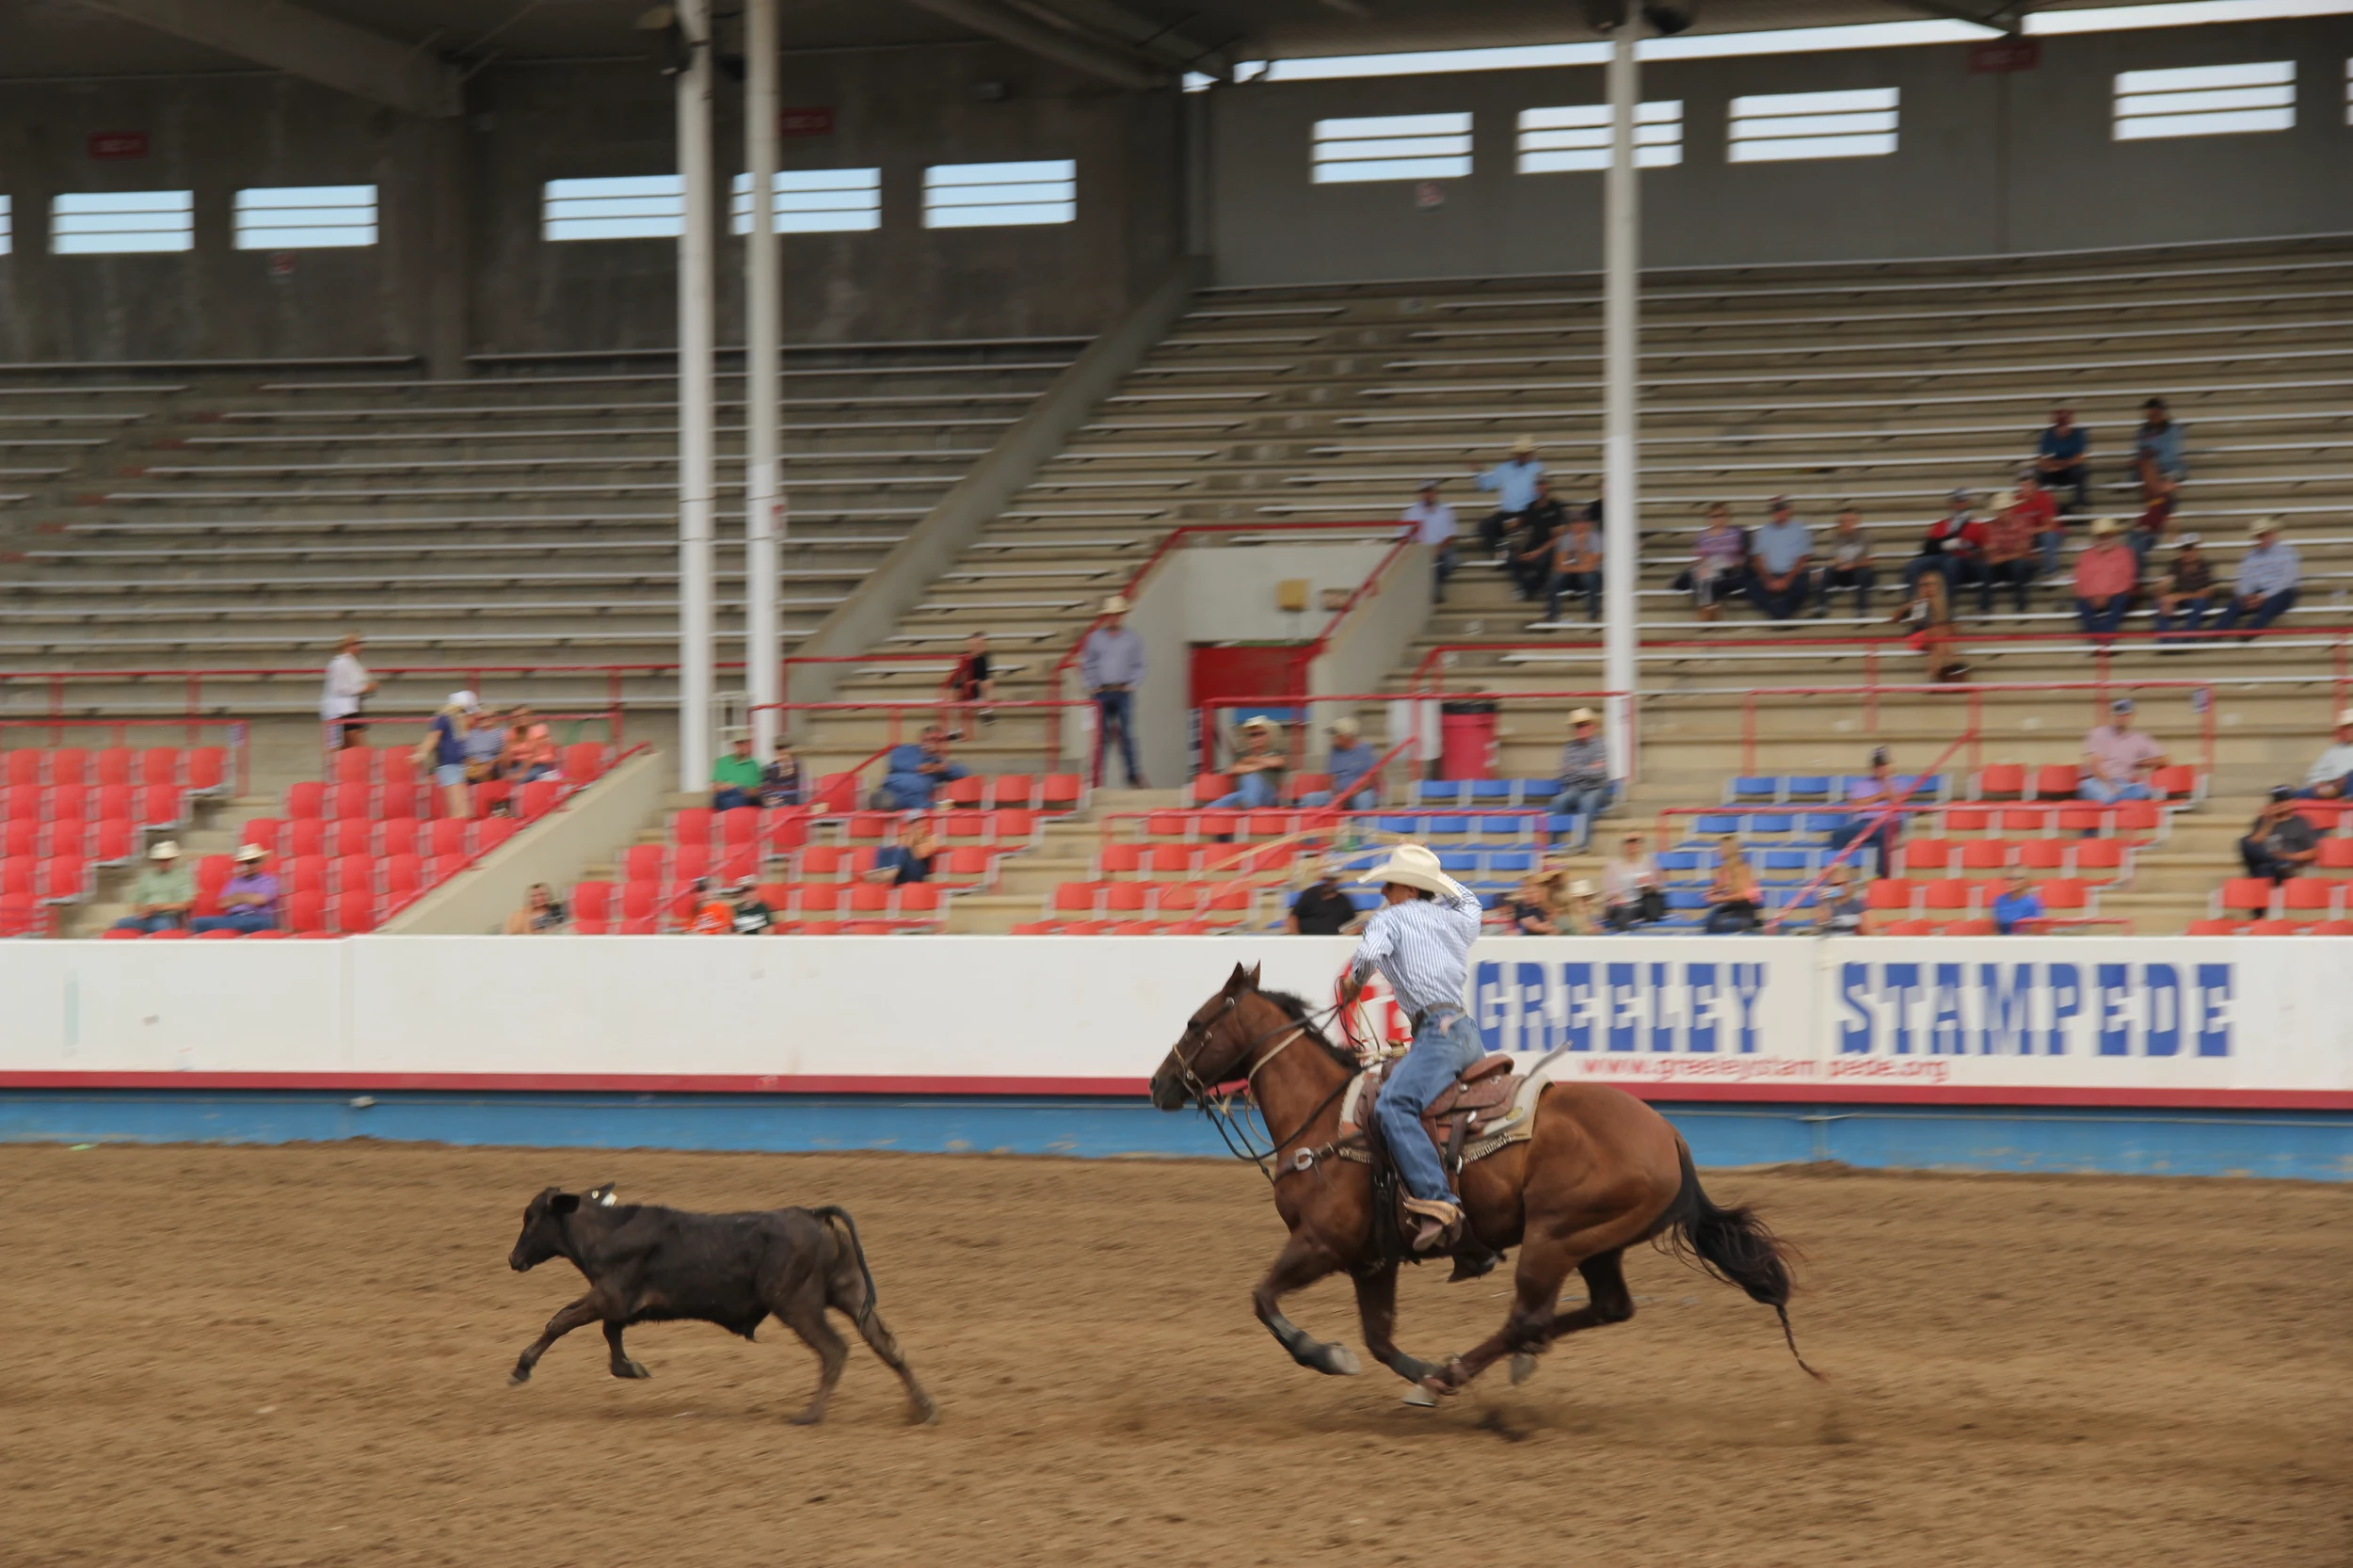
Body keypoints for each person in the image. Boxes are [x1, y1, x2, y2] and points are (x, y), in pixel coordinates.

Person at [1337, 843, 1487, 1256]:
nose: (1382, 892)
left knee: (1393, 1105)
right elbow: (1471, 901)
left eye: (1389, 884)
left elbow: (1366, 957)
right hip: (1467, 1034)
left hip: (1436, 1035)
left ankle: (1440, 1201)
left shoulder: (1388, 920)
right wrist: (1437, 879)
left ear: (1407, 888)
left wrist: (1353, 985)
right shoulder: (1456, 921)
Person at [1079, 594, 1148, 788]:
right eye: (1111, 614)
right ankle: (1096, 778)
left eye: (1118, 614)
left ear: (1123, 615)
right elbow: (1087, 663)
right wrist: (1092, 685)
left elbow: (1140, 665)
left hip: (1123, 690)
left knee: (1127, 734)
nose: (1114, 618)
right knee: (1101, 737)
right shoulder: (1095, 638)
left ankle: (1132, 775)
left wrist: (1133, 683)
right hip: (1101, 692)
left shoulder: (1133, 638)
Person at [2213, 517, 2300, 637]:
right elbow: (2244, 578)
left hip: (2281, 592)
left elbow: (2287, 580)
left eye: (2264, 534)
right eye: (2259, 536)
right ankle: (2216, 634)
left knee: (2271, 606)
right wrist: (2246, 595)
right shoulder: (2251, 555)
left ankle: (2249, 634)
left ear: (2273, 533)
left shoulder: (2287, 552)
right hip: (2258, 592)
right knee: (2234, 604)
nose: (2261, 539)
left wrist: (2263, 596)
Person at [1828, 746, 1903, 879]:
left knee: (1885, 834)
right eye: (1877, 766)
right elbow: (1856, 805)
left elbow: (1897, 803)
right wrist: (1881, 795)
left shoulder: (1897, 783)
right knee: (1837, 835)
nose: (1879, 769)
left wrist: (1885, 781)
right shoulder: (1860, 784)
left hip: (1888, 822)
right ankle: (1836, 877)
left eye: (1883, 765)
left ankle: (1882, 879)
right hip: (1864, 823)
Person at [2079, 698, 2167, 807]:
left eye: (2125, 715)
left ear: (2132, 716)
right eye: (2118, 715)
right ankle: (2123, 799)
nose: (2121, 718)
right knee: (2091, 787)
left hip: (2124, 784)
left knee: (2141, 788)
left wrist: (2139, 763)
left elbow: (2164, 759)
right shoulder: (2099, 734)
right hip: (2098, 782)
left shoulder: (2139, 738)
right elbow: (2095, 766)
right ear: (2112, 716)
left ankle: (2122, 798)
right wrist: (2111, 786)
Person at [1545, 708, 1611, 852]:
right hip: (1575, 789)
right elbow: (1564, 775)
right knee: (1558, 801)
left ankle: (1583, 844)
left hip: (1597, 789)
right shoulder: (1569, 747)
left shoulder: (1600, 744)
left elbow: (1600, 773)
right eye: (1577, 726)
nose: (1581, 728)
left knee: (1588, 801)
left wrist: (1576, 768)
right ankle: (1553, 843)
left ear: (1592, 726)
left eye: (1584, 724)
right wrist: (1589, 769)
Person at [1901, 490, 1984, 600]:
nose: (1959, 505)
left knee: (1951, 563)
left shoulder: (1976, 525)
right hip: (1942, 558)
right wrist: (1948, 544)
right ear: (1951, 504)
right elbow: (1928, 547)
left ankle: (1947, 603)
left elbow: (1982, 550)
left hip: (1964, 561)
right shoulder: (1941, 525)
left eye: (1962, 501)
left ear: (1968, 503)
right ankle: (1912, 602)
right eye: (1956, 502)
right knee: (1915, 564)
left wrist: (1967, 547)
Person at [1473, 437, 1545, 557]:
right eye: (1520, 453)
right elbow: (1485, 485)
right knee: (1485, 525)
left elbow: (1540, 492)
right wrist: (1479, 473)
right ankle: (1502, 554)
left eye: (1525, 453)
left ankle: (1511, 554)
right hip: (1508, 513)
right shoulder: (1504, 468)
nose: (1522, 456)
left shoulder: (1537, 468)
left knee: (1534, 521)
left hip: (1529, 512)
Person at [1892, 571, 1968, 685]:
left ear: (1938, 586)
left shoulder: (1945, 604)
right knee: (1938, 632)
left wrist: (1938, 612)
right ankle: (1952, 663)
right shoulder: (1917, 603)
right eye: (1924, 585)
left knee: (1938, 639)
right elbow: (1895, 619)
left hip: (1937, 641)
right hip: (1917, 639)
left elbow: (1953, 629)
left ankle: (1932, 675)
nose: (1927, 587)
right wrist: (1913, 605)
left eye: (1930, 584)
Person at [1976, 488, 2040, 616]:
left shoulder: (2023, 524)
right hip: (2001, 567)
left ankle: (2022, 604)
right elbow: (1990, 557)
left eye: (2007, 509)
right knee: (1985, 566)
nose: (2005, 513)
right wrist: (2012, 554)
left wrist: (2003, 555)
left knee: (2019, 564)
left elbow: (2023, 552)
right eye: (2001, 510)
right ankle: (1984, 607)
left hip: (2020, 566)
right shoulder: (1987, 527)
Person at [1746, 497, 1812, 620]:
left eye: (1781, 510)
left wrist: (1787, 579)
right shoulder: (1765, 530)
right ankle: (1781, 615)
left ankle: (1779, 615)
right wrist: (1767, 579)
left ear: (1788, 511)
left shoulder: (1799, 529)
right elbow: (1756, 558)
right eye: (1776, 511)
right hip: (1771, 574)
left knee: (1802, 586)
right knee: (1752, 587)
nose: (1779, 514)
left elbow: (1803, 558)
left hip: (1792, 573)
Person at [192, 843, 280, 935]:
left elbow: (260, 900)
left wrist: (236, 897)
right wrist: (247, 898)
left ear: (260, 863)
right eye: (246, 862)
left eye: (253, 861)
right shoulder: (235, 881)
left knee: (260, 923)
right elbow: (222, 904)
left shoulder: (268, 880)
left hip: (257, 917)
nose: (250, 865)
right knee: (196, 923)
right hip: (233, 918)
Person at [2073, 519, 2138, 637]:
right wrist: (2093, 596)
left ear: (2113, 536)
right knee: (2081, 604)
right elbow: (2081, 580)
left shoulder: (2124, 553)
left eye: (2107, 536)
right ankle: (2098, 637)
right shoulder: (2086, 556)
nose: (2104, 539)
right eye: (2101, 536)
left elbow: (2127, 578)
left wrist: (2106, 595)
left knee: (2120, 600)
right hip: (2092, 596)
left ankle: (2104, 639)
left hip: (2116, 595)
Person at [874, 728, 966, 812]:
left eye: (940, 741)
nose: (935, 743)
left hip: (918, 798)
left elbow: (961, 772)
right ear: (923, 740)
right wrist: (917, 767)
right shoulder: (905, 749)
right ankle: (883, 803)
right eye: (932, 739)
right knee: (887, 800)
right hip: (895, 790)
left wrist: (944, 768)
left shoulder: (939, 761)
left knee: (935, 807)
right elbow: (895, 762)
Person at [113, 840, 195, 934]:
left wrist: (160, 907)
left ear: (172, 859)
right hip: (146, 917)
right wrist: (143, 910)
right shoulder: (147, 878)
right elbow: (135, 901)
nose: (164, 863)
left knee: (164, 930)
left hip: (167, 917)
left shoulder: (182, 877)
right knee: (118, 925)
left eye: (167, 860)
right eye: (161, 860)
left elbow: (186, 904)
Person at [2240, 787, 2318, 884]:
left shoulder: (2301, 822)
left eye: (2283, 801)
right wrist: (2269, 821)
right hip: (2265, 863)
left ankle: (2280, 862)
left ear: (2292, 802)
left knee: (2266, 868)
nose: (2280, 805)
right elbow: (2254, 844)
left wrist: (2287, 856)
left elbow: (2312, 853)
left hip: (2287, 865)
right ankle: (2278, 861)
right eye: (2277, 802)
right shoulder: (2264, 820)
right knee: (2244, 842)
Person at [418, 691, 476, 820]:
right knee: (459, 810)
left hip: (457, 765)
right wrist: (422, 754)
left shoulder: (457, 724)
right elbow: (432, 738)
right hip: (449, 765)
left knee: (464, 810)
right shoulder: (444, 719)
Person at [1507, 478, 1569, 600]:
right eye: (1538, 485)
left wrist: (1537, 552)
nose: (1540, 488)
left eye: (1543, 485)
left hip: (1551, 547)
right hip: (1533, 545)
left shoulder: (1555, 506)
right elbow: (1519, 525)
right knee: (1510, 556)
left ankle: (1529, 590)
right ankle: (1527, 588)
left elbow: (1558, 537)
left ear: (1548, 487)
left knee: (1545, 559)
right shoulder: (1531, 507)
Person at [1301, 715, 1378, 809]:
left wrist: (1348, 795)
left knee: (1364, 799)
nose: (1332, 737)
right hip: (1338, 794)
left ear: (1346, 736)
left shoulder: (1365, 749)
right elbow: (1330, 778)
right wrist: (1337, 796)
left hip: (1358, 792)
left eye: (1335, 734)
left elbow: (1368, 781)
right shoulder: (1334, 750)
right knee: (1308, 799)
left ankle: (1361, 824)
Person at [1210, 715, 1287, 809]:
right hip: (1244, 795)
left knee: (1251, 779)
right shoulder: (1242, 755)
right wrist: (1262, 765)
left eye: (1260, 733)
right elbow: (1234, 769)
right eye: (1252, 735)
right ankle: (1207, 814)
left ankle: (1248, 810)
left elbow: (1278, 762)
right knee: (1237, 795)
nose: (1255, 738)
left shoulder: (1275, 752)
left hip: (1268, 796)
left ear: (1268, 735)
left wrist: (1251, 761)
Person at [1687, 503, 1747, 621]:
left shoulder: (1735, 532)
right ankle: (1712, 610)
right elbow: (1700, 556)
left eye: (1721, 515)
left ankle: (1705, 615)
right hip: (1709, 566)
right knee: (1704, 576)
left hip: (1728, 564)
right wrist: (1703, 565)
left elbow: (1740, 553)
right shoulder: (1702, 535)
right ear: (1708, 518)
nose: (1717, 519)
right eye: (1713, 516)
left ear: (1727, 517)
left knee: (1705, 578)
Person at [1402, 480, 1458, 603]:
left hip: (1441, 549)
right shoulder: (1411, 512)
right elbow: (1405, 536)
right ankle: (1433, 594)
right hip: (1419, 550)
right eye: (1425, 492)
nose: (1428, 495)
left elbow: (1450, 537)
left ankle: (1433, 593)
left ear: (1436, 493)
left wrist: (1436, 550)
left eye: (1430, 491)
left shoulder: (1446, 511)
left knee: (1439, 564)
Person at [2153, 535, 2216, 644]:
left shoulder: (2205, 565)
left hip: (2196, 599)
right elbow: (2162, 585)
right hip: (2182, 599)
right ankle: (2165, 642)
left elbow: (2206, 593)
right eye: (2184, 550)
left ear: (2197, 549)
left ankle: (2187, 639)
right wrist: (2164, 597)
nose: (2187, 553)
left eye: (2190, 549)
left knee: (2200, 603)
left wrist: (2177, 596)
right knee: (2159, 602)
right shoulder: (2175, 564)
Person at [1814, 509, 1874, 618]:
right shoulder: (1837, 537)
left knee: (1863, 573)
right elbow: (1836, 559)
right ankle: (1821, 607)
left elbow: (1867, 561)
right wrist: (1834, 565)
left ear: (1856, 522)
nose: (1846, 524)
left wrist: (1852, 565)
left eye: (1850, 521)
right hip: (1844, 573)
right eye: (1843, 521)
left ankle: (1862, 609)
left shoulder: (1864, 537)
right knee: (1825, 572)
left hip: (1859, 572)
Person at [1543, 513, 1603, 623]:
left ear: (1588, 524)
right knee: (1555, 578)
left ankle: (1593, 616)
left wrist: (1580, 545)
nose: (1578, 526)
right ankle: (1552, 616)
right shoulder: (1565, 539)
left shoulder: (1596, 538)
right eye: (1575, 523)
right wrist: (1576, 568)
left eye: (1581, 522)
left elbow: (1590, 565)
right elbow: (1559, 565)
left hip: (1594, 575)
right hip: (1573, 574)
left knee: (1588, 577)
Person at [320, 632, 375, 750]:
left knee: (350, 749)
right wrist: (364, 688)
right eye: (356, 643)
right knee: (341, 750)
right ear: (347, 645)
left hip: (350, 709)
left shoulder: (353, 663)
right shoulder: (340, 663)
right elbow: (339, 688)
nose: (360, 647)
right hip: (339, 713)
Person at [2036, 408, 2090, 515]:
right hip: (2053, 472)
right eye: (2060, 426)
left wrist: (2060, 464)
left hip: (2069, 472)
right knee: (2037, 473)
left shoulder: (2078, 434)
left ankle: (2079, 503)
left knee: (2081, 470)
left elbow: (2079, 458)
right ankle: (2040, 505)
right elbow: (2042, 460)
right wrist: (2063, 464)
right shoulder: (2048, 435)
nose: (2063, 429)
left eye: (2065, 425)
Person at [1601, 835, 1662, 930]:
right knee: (1621, 909)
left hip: (1639, 903)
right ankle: (1623, 923)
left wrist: (1648, 886)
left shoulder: (1648, 863)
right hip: (1619, 903)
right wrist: (1618, 898)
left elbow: (1657, 886)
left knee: (1631, 909)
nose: (1633, 845)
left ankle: (1623, 927)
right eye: (1629, 842)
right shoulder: (1613, 865)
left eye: (1636, 842)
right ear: (1623, 846)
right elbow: (1610, 892)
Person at [2133, 397, 2185, 507]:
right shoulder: (2142, 432)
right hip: (2150, 469)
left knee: (2157, 475)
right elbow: (2141, 451)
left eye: (2156, 413)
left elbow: (2170, 454)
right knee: (2146, 464)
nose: (2152, 416)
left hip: (2169, 468)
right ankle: (2161, 507)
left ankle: (2159, 507)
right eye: (2150, 413)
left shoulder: (2173, 430)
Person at [1703, 840, 1762, 934]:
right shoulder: (1725, 868)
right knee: (1710, 918)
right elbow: (1718, 887)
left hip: (1742, 911)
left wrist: (1720, 899)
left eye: (1720, 849)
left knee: (1715, 922)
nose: (1717, 851)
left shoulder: (1742, 868)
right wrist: (1712, 893)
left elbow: (1745, 895)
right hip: (1730, 908)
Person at [1288, 860, 1359, 936]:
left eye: (1333, 879)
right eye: (1328, 879)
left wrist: (1350, 933)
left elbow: (1353, 925)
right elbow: (1293, 918)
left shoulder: (1344, 901)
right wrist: (1297, 939)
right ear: (1323, 879)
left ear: (1337, 880)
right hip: (1307, 939)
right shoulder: (1310, 894)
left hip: (1333, 942)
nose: (1330, 882)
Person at [2294, 710, 2353, 800]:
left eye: (2349, 727)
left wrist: (2344, 781)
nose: (2345, 731)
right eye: (2343, 728)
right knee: (2288, 794)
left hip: (2346, 785)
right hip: (2332, 786)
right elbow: (2314, 775)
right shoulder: (2332, 752)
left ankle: (2349, 799)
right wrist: (2320, 784)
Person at [868, 816, 940, 887]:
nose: (914, 826)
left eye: (916, 822)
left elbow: (920, 854)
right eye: (911, 824)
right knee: (882, 847)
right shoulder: (906, 836)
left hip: (916, 873)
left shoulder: (931, 838)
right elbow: (894, 847)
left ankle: (891, 873)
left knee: (902, 851)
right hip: (902, 872)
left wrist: (914, 841)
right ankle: (879, 872)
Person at [946, 632, 994, 738]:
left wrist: (974, 682)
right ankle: (956, 731)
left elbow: (984, 676)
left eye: (982, 643)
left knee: (988, 682)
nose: (981, 646)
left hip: (976, 687)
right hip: (963, 687)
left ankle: (985, 710)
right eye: (978, 643)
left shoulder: (984, 657)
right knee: (953, 695)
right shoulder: (964, 656)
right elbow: (959, 676)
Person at [501, 707, 557, 781]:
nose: (520, 718)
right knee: (504, 781)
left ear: (530, 716)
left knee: (521, 780)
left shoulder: (539, 729)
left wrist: (521, 773)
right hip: (518, 765)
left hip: (538, 765)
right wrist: (506, 774)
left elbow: (533, 756)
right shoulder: (511, 733)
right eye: (516, 717)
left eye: (523, 715)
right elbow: (506, 758)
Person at [711, 736, 763, 811]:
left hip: (744, 796)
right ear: (734, 745)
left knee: (740, 797)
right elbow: (715, 787)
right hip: (725, 796)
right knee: (726, 797)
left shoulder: (753, 764)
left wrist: (740, 789)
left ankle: (735, 816)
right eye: (739, 743)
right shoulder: (723, 762)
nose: (742, 746)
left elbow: (756, 790)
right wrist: (731, 787)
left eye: (744, 743)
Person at [1812, 864, 1866, 935]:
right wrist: (1824, 903)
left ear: (1849, 883)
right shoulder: (1825, 904)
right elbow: (1818, 930)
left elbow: (1868, 935)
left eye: (1843, 883)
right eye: (1835, 885)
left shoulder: (1857, 904)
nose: (1840, 887)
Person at [462, 707, 509, 785]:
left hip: (490, 765)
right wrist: (467, 760)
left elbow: (505, 753)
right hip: (471, 765)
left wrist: (491, 763)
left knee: (483, 773)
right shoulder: (471, 733)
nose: (484, 720)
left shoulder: (501, 732)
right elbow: (464, 753)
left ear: (494, 718)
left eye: (487, 717)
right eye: (481, 718)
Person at [1992, 871, 2045, 935]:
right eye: (2008, 879)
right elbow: (1995, 929)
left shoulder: (2033, 902)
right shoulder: (1999, 900)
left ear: (2026, 882)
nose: (2011, 882)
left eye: (2017, 879)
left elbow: (2034, 931)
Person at [503, 882, 568, 935]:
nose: (539, 898)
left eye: (542, 894)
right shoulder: (520, 916)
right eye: (534, 896)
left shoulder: (557, 910)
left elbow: (566, 927)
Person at [758, 739, 804, 808]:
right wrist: (770, 799)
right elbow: (765, 788)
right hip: (776, 800)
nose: (782, 751)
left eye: (784, 748)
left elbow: (803, 784)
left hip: (794, 799)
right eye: (779, 749)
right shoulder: (770, 767)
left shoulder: (797, 764)